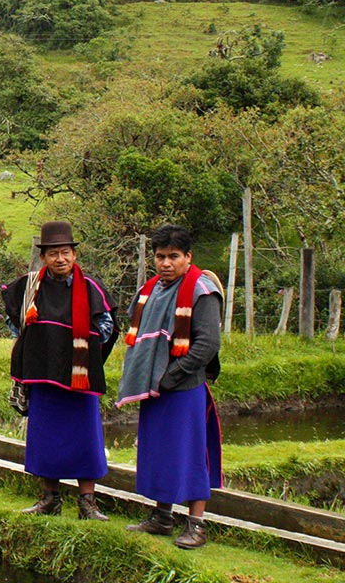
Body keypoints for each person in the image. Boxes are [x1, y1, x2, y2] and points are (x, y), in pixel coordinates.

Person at [115, 224, 223, 550]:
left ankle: (197, 525)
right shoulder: (151, 290)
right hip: (155, 387)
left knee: (190, 454)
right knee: (159, 451)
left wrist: (172, 375)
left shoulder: (201, 290)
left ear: (188, 257)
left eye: (174, 256)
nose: (166, 263)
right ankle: (162, 517)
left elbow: (207, 344)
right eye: (160, 257)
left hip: (184, 387)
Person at [2, 220, 118, 520]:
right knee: (45, 438)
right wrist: (41, 345)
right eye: (53, 254)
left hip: (80, 379)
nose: (60, 259)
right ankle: (49, 499)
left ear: (74, 255)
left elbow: (107, 328)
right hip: (43, 377)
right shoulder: (30, 287)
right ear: (44, 257)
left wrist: (78, 349)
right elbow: (14, 322)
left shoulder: (91, 289)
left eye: (65, 252)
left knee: (86, 438)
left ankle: (87, 503)